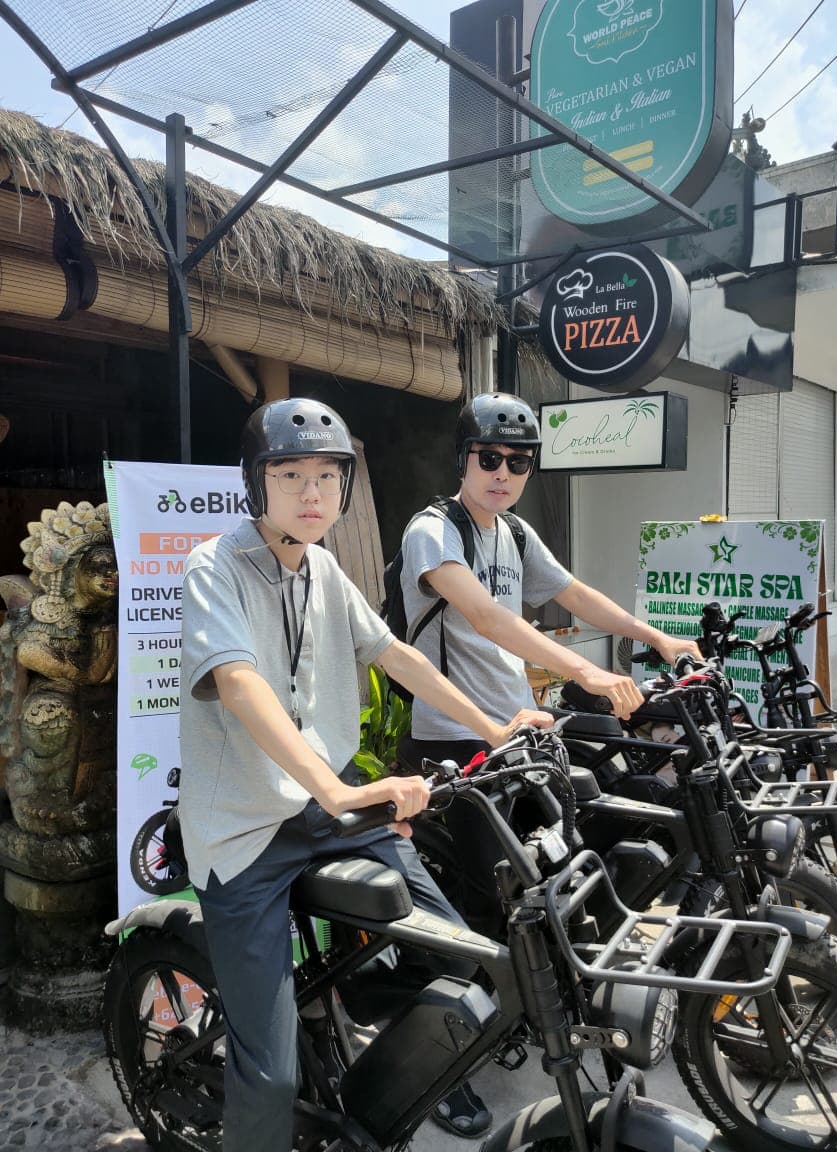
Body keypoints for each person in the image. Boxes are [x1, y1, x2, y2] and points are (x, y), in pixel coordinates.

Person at [178, 397, 548, 1152]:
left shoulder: (325, 569)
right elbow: (240, 682)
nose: (312, 494)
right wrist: (341, 789)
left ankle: (375, 1050)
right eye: (291, 475)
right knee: (270, 1079)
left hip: (325, 811)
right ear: (257, 483)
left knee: (457, 947)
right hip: (246, 829)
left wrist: (494, 727)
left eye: (327, 476)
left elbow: (396, 655)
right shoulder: (213, 567)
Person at [398, 390, 702, 937]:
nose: (502, 473)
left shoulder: (513, 532)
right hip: (455, 739)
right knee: (496, 901)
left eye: (518, 462)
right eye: (488, 458)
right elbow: (487, 617)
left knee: (564, 873)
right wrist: (585, 671)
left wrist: (654, 635)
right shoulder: (434, 530)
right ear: (462, 458)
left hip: (519, 735)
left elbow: (574, 593)